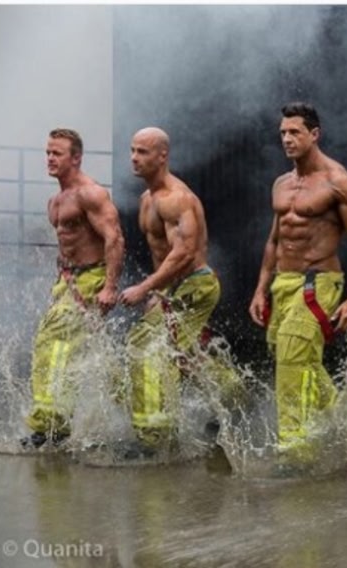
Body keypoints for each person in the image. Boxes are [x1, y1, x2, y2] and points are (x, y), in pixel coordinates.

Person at [248, 103, 347, 460]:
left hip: (318, 283)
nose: (287, 139)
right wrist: (261, 289)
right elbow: (274, 241)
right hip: (283, 283)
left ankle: (296, 450)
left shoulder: (339, 182)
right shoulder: (281, 184)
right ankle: (344, 420)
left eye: (295, 132)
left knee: (292, 356)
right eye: (283, 133)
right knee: (292, 357)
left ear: (314, 134)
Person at [120, 126, 241, 455]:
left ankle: (154, 437)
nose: (134, 158)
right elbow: (162, 256)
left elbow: (184, 253)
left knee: (147, 344)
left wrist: (145, 287)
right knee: (180, 353)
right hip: (173, 288)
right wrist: (157, 293)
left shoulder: (176, 199)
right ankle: (231, 394)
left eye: (142, 152)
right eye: (132, 150)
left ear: (162, 156)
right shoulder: (147, 199)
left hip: (195, 286)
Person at [22, 128, 125, 449]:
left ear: (76, 157)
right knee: (87, 352)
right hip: (68, 281)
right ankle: (131, 410)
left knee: (53, 344)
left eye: (57, 153)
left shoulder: (90, 194)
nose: (50, 158)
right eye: (48, 153)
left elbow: (115, 238)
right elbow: (67, 245)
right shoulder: (55, 201)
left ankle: (51, 425)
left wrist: (109, 287)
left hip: (92, 280)